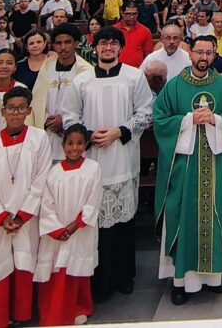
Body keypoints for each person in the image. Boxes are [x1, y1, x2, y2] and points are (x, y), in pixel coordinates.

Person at [60, 26, 153, 298]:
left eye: (113, 44)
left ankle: (124, 276)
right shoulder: (82, 80)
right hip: (93, 158)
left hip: (123, 157)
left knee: (123, 223)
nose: (108, 48)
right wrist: (87, 135)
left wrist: (119, 131)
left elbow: (146, 111)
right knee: (95, 222)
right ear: (95, 47)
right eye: (103, 44)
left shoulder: (134, 77)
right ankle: (98, 281)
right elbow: (69, 115)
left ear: (121, 48)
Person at [152, 35, 222, 305]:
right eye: (199, 53)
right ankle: (181, 281)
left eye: (209, 53)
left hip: (214, 165)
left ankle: (213, 276)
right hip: (183, 168)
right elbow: (160, 120)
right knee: (183, 216)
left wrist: (215, 118)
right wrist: (189, 119)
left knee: (214, 215)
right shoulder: (175, 86)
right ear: (190, 54)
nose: (203, 58)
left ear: (215, 55)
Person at [0, 87, 52, 328]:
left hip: (26, 216)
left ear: (28, 111)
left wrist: (23, 214)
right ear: (3, 112)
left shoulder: (39, 139)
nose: (16, 113)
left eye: (21, 108)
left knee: (24, 264)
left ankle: (22, 314)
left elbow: (41, 178)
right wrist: (0, 216)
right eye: (11, 109)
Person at [34, 124, 102, 326]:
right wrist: (56, 229)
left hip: (79, 230)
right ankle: (56, 311)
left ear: (86, 144)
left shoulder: (93, 168)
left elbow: (93, 200)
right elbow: (47, 203)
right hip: (57, 231)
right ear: (63, 145)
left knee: (76, 268)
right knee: (57, 270)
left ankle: (79, 307)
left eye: (80, 143)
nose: (75, 148)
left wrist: (74, 226)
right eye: (70, 143)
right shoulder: (54, 172)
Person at [31, 24, 94, 162]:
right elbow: (37, 100)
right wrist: (47, 118)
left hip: (74, 137)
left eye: (67, 42)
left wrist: (64, 121)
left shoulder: (86, 71)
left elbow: (90, 106)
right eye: (58, 43)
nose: (63, 47)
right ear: (53, 45)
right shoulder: (47, 67)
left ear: (76, 43)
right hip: (48, 133)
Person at [140, 24, 189, 94]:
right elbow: (140, 81)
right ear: (161, 39)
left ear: (180, 39)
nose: (172, 42)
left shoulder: (188, 59)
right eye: (168, 38)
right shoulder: (151, 58)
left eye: (175, 38)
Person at [114, 0, 154, 68]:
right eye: (128, 14)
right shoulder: (113, 30)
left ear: (138, 13)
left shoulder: (145, 31)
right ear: (122, 13)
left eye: (134, 14)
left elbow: (148, 55)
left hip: (137, 71)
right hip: (116, 71)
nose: (131, 17)